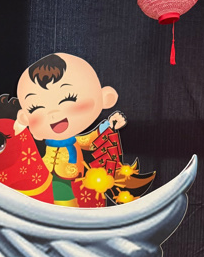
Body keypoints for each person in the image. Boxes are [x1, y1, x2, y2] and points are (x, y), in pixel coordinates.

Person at [15, 53, 126, 207]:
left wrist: (108, 125)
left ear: (106, 98)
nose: (53, 113)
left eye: (69, 98)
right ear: (24, 117)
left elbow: (90, 140)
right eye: (35, 107)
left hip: (69, 174)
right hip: (44, 172)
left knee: (62, 191)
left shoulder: (75, 141)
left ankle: (66, 212)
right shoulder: (31, 144)